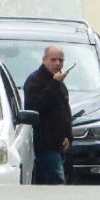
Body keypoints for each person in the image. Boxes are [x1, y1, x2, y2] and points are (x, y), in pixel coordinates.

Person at [24, 45, 73, 185]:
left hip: (60, 144)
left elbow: (64, 113)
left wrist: (68, 136)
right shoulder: (35, 80)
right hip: (45, 144)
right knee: (57, 182)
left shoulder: (60, 84)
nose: (57, 63)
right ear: (44, 60)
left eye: (61, 60)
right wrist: (54, 83)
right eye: (53, 59)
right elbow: (35, 107)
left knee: (61, 180)